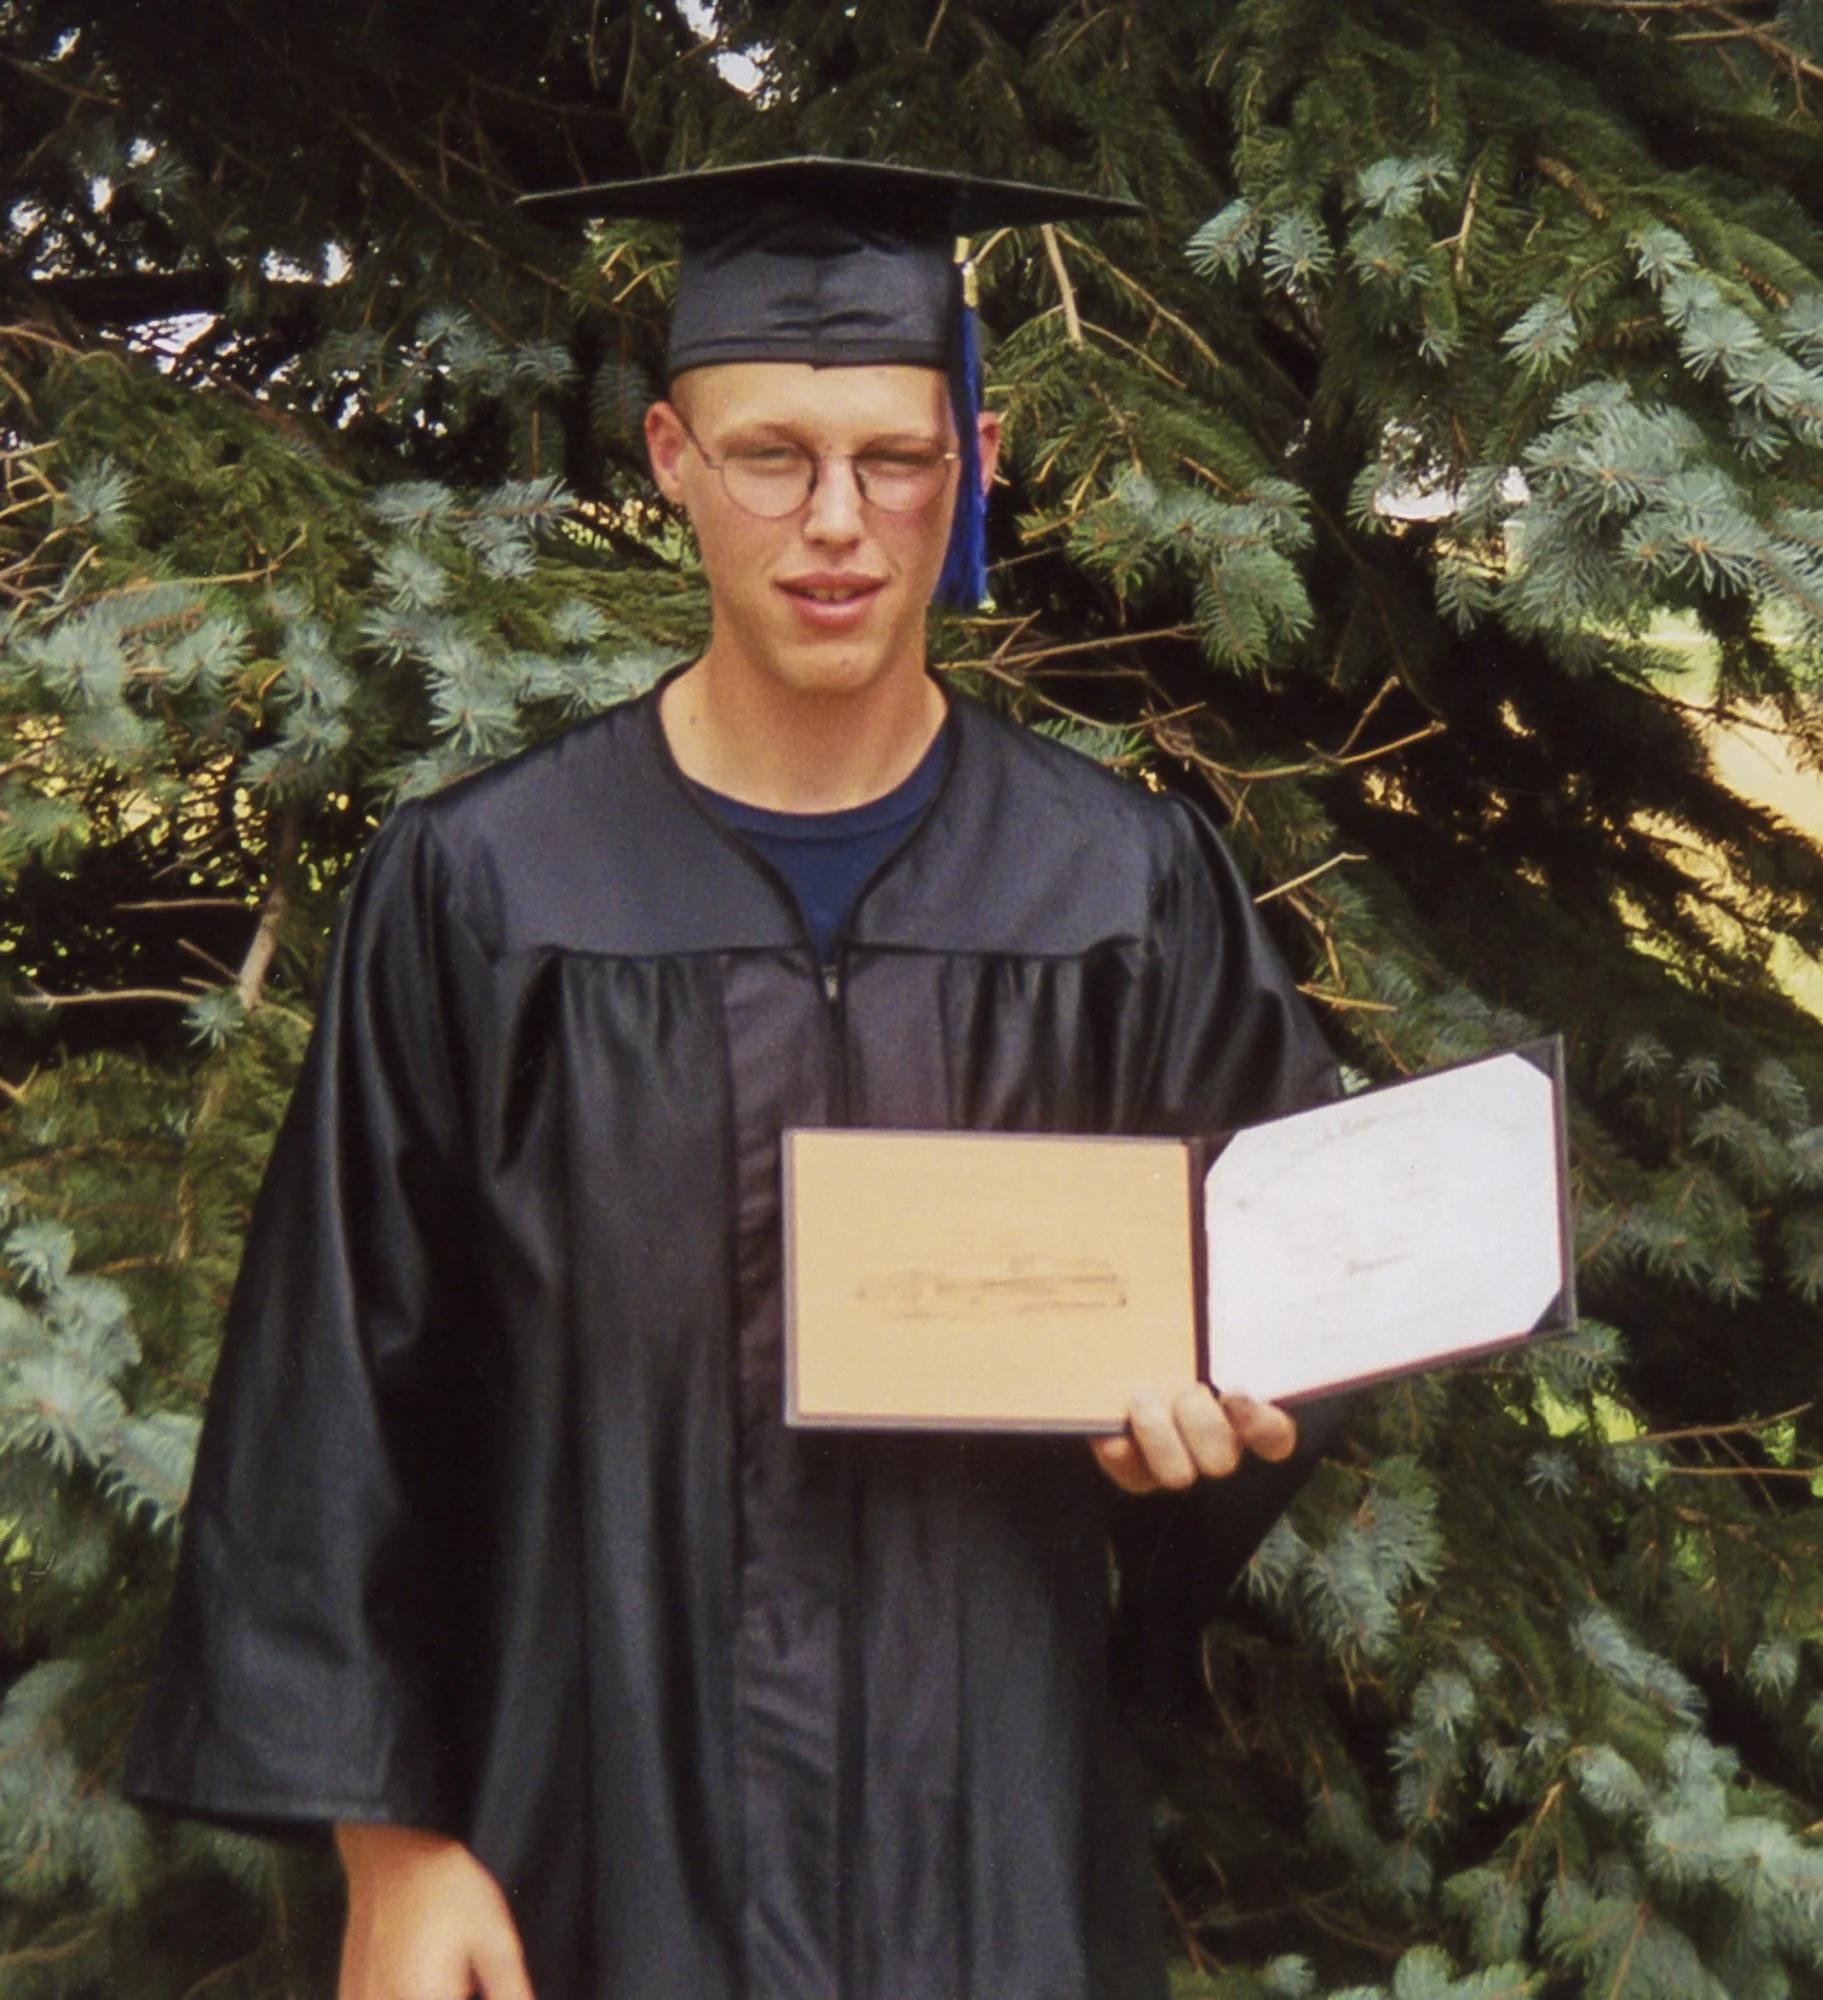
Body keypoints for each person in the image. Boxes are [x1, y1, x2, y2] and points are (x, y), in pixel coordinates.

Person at [126, 158, 1340, 2000]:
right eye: (771, 455)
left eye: (893, 459)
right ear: (671, 462)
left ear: (977, 467)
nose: (835, 521)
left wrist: (1213, 1433)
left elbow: (1279, 1302)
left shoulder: (1119, 890)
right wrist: (393, 1850)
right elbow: (340, 1381)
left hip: (990, 1842)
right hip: (588, 1845)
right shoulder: (489, 887)